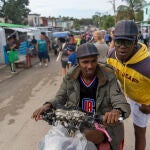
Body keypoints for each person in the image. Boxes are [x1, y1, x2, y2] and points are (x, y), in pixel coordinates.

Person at [32, 43, 131, 150]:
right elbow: (60, 97)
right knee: (53, 142)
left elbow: (120, 101)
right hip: (75, 124)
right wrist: (48, 105)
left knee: (86, 137)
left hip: (102, 125)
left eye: (93, 61)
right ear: (78, 62)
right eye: (85, 62)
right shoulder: (70, 76)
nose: (90, 66)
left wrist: (116, 111)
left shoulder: (108, 75)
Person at [107, 20, 150, 150]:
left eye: (128, 42)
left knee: (139, 132)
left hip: (143, 103)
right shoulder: (111, 55)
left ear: (135, 42)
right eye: (119, 42)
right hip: (127, 95)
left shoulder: (146, 66)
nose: (122, 47)